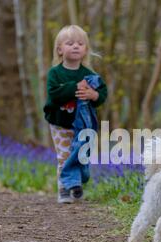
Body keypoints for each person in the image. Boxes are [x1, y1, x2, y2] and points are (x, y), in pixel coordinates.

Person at [44, 25, 108, 203]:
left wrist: (93, 95)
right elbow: (54, 95)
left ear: (85, 49)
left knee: (81, 155)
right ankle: (65, 189)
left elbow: (102, 94)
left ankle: (77, 183)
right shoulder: (55, 73)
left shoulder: (89, 75)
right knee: (64, 156)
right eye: (70, 43)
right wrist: (75, 88)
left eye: (80, 43)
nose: (75, 46)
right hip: (60, 124)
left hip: (82, 125)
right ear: (59, 49)